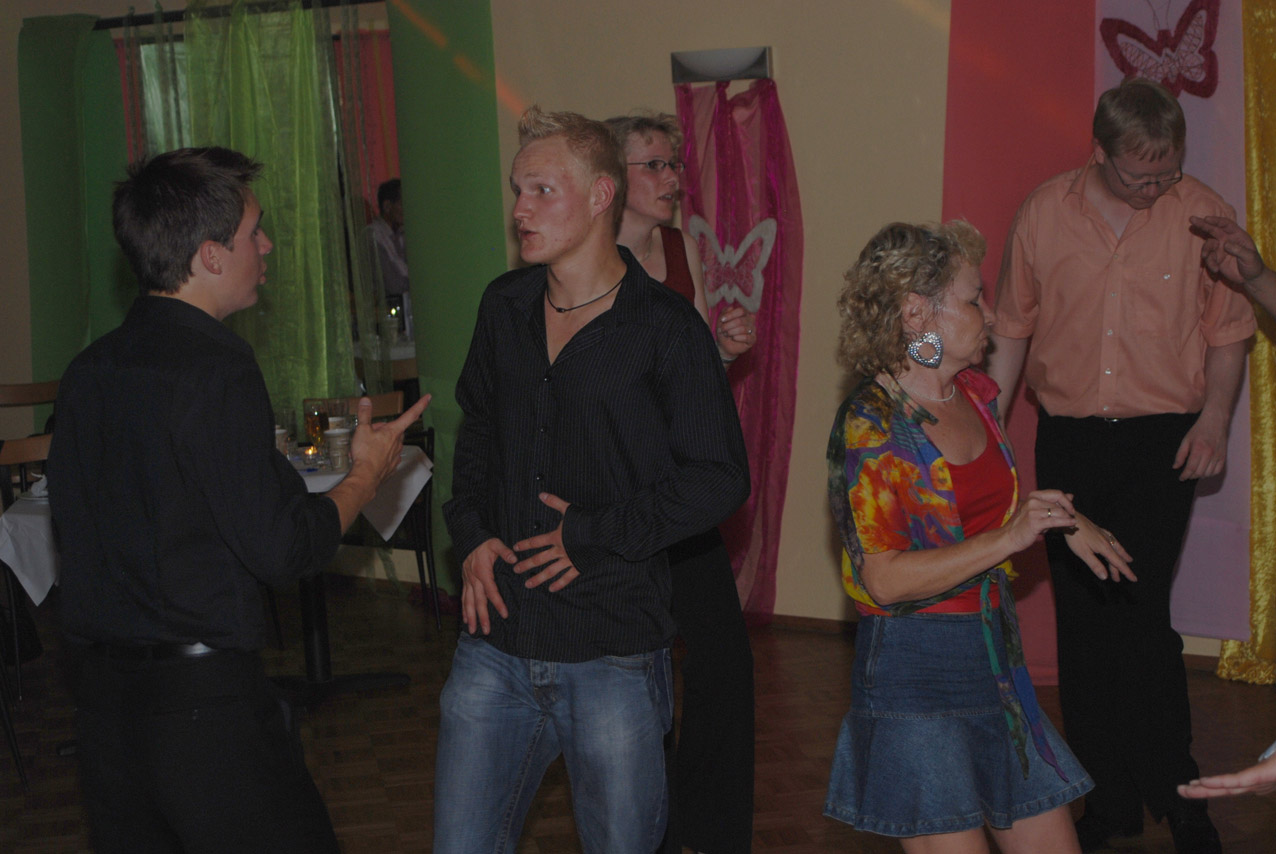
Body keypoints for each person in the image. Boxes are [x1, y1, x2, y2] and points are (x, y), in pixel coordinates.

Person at [48, 146, 430, 854]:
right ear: (210, 256)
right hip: (201, 710)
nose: (268, 246)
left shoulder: (88, 370)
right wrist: (364, 476)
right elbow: (283, 549)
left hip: (102, 706)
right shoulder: (216, 366)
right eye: (254, 232)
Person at [436, 107, 749, 853]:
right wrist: (470, 531)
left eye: (542, 190)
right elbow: (476, 434)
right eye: (518, 190)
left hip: (612, 649)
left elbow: (720, 479)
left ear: (602, 195)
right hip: (496, 644)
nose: (520, 209)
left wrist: (594, 534)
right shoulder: (504, 306)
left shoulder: (667, 328)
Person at [987, 78, 1256, 854]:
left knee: (1140, 615)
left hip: (1162, 440)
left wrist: (1215, 420)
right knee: (1081, 623)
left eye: (1167, 171)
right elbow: (1012, 327)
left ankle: (1179, 792)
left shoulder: (1202, 214)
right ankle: (1105, 799)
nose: (1155, 187)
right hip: (1068, 439)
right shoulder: (1045, 212)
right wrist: (988, 431)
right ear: (1100, 152)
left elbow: (1229, 331)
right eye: (1141, 175)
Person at [826, 220, 1133, 853]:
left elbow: (986, 511)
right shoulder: (872, 426)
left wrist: (1062, 519)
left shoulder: (974, 394)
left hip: (995, 657)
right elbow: (884, 580)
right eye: (972, 299)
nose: (990, 314)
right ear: (917, 313)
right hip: (916, 670)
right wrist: (1012, 539)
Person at [604, 111, 756, 854]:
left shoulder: (676, 248)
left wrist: (720, 351)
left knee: (723, 659)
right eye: (654, 165)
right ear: (611, 179)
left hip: (679, 491)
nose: (671, 179)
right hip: (618, 497)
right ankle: (654, 825)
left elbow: (687, 381)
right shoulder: (585, 262)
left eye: (674, 166)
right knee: (637, 669)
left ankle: (713, 827)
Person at [365, 178, 412, 336]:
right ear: (387, 206)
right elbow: (394, 284)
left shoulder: (403, 234)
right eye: (402, 203)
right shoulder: (373, 236)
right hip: (387, 316)